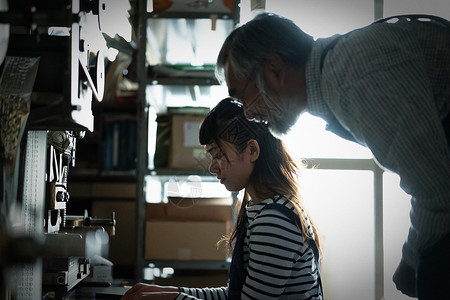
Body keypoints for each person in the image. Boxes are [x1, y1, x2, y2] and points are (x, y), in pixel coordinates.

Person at [215, 12, 450, 299]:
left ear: (274, 69)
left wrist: (411, 265)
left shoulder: (355, 80)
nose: (248, 114)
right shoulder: (338, 75)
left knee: (433, 271)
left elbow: (437, 192)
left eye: (242, 98)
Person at [121, 98, 323, 299]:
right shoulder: (264, 209)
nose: (212, 167)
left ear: (252, 150)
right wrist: (174, 292)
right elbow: (235, 295)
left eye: (218, 154)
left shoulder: (273, 221)